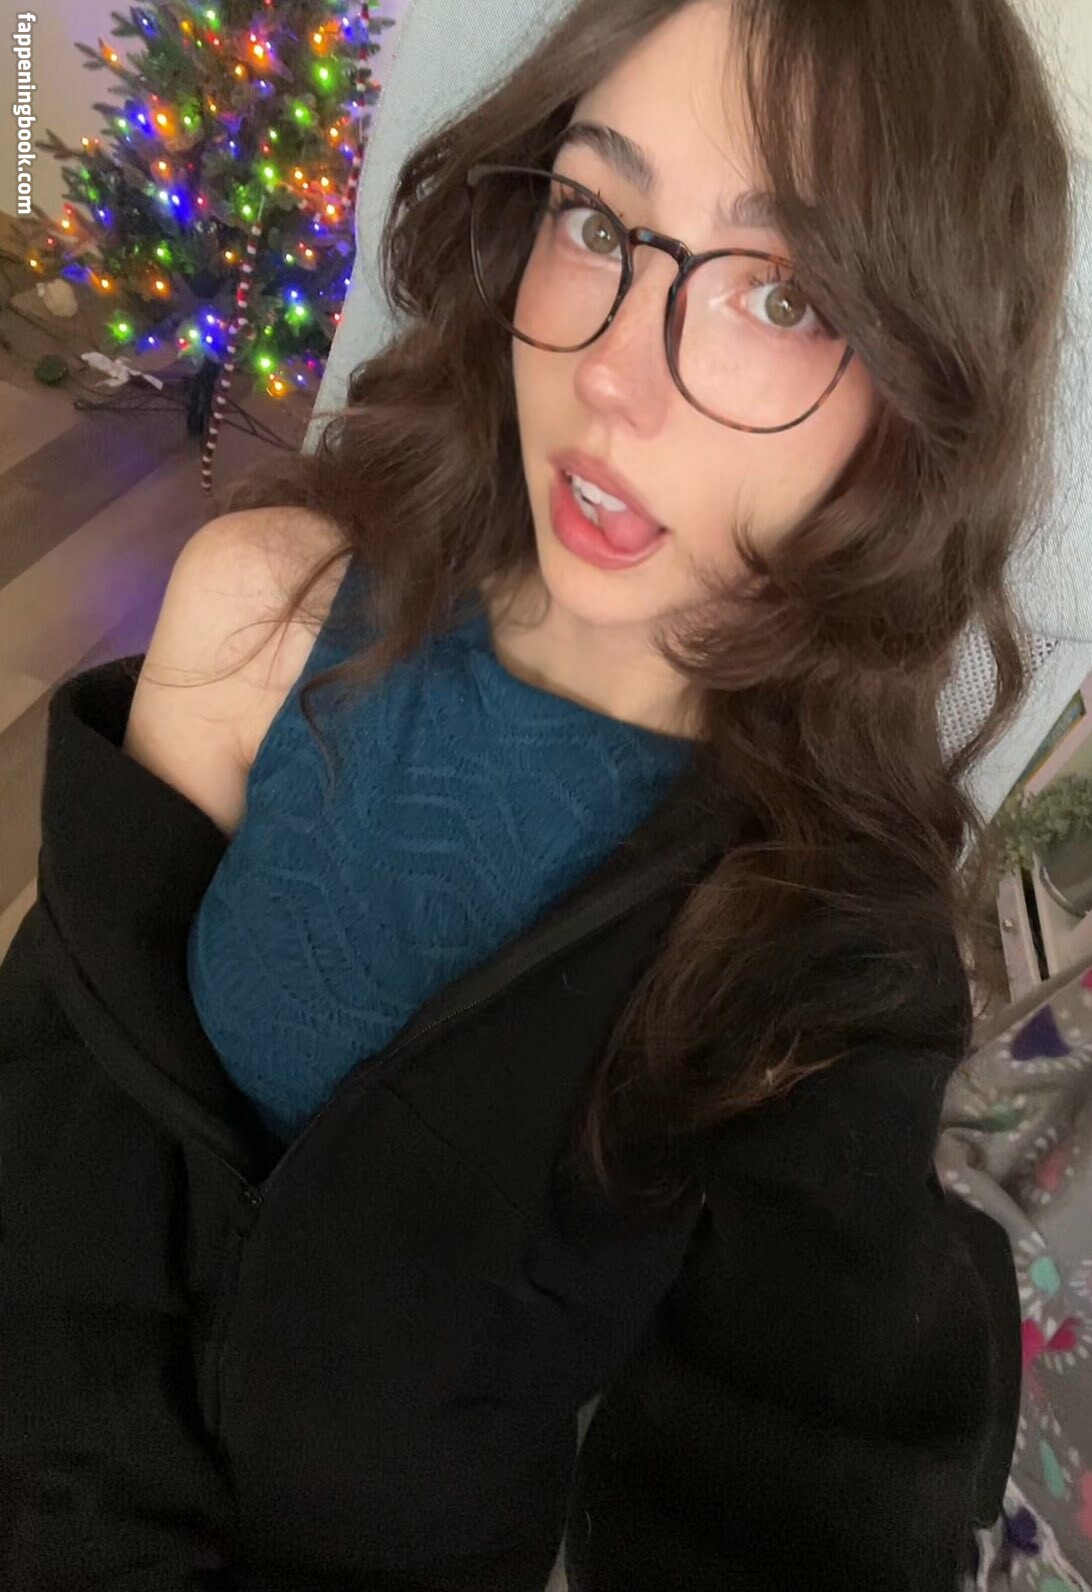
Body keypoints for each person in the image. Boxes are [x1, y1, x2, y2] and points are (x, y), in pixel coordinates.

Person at [0, 0, 1075, 1586]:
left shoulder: (826, 960)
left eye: (781, 294)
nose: (615, 378)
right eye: (597, 220)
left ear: (917, 399)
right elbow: (60, 1138)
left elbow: (798, 1501)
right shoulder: (264, 608)